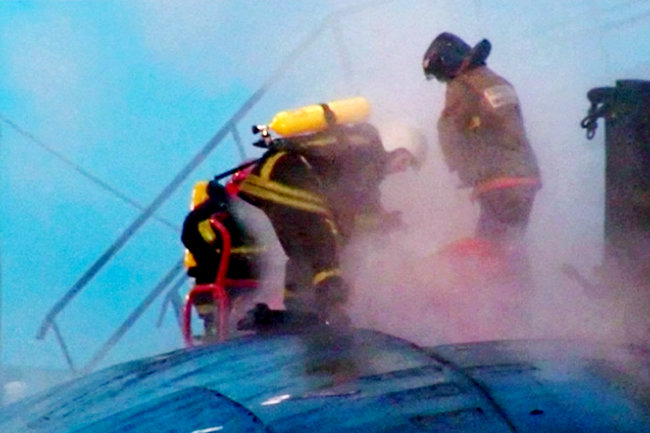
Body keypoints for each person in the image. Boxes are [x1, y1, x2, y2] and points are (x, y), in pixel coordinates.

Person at [236, 120, 425, 329]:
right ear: (395, 144)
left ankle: (297, 311)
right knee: (324, 237)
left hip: (270, 180)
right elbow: (347, 209)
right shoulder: (366, 154)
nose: (402, 170)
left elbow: (359, 210)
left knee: (302, 251)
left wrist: (383, 222)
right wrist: (380, 223)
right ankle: (332, 309)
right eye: (405, 161)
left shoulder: (363, 159)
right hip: (288, 177)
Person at [422, 32, 541, 245]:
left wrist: (460, 170)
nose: (444, 81)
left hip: (497, 180)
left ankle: (495, 270)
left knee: (490, 248)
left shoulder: (463, 84)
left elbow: (449, 129)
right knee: (512, 243)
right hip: (526, 176)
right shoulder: (497, 81)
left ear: (448, 63)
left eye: (440, 76)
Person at [181, 170, 265, 337]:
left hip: (230, 274)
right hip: (263, 273)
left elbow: (191, 234)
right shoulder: (260, 210)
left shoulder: (214, 215)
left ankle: (213, 324)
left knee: (204, 276)